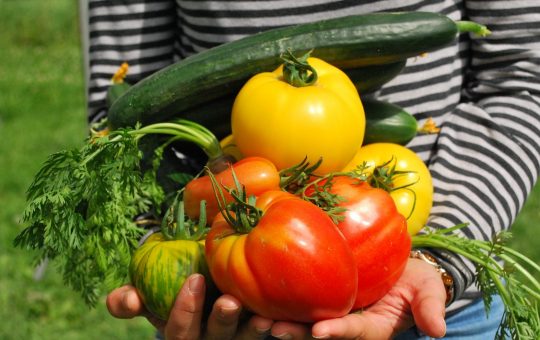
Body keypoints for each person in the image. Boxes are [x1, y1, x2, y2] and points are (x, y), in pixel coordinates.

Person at [82, 1, 540, 339]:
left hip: (435, 302)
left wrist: (439, 259)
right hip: (227, 299)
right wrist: (169, 256)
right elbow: (124, 112)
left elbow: (521, 81)